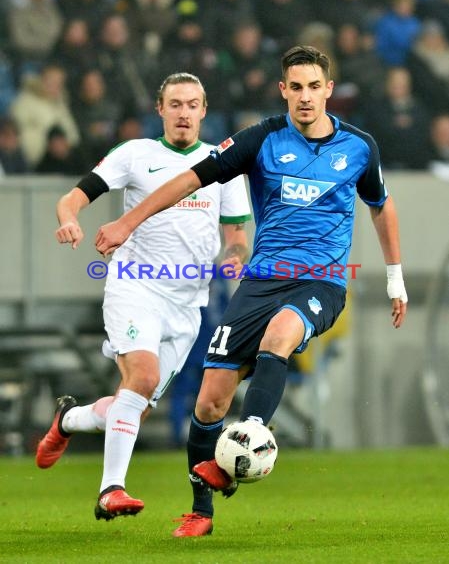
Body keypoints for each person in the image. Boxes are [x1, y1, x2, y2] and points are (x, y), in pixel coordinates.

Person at [93, 45, 408, 537]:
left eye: (314, 87)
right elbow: (190, 179)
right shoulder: (261, 139)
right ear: (284, 90)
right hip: (261, 281)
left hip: (320, 280)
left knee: (279, 336)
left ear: (329, 89)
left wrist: (395, 277)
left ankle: (252, 436)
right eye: (296, 87)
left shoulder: (359, 147)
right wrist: (127, 220)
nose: (305, 98)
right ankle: (201, 511)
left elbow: (380, 205)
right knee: (209, 403)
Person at [35, 72, 251, 521]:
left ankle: (69, 420)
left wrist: (234, 255)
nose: (184, 112)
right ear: (160, 110)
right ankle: (110, 490)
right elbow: (73, 196)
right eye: (175, 104)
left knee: (132, 405)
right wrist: (70, 218)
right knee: (144, 378)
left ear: (204, 111)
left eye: (192, 104)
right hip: (134, 285)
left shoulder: (223, 163)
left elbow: (236, 233)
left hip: (188, 303)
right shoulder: (136, 154)